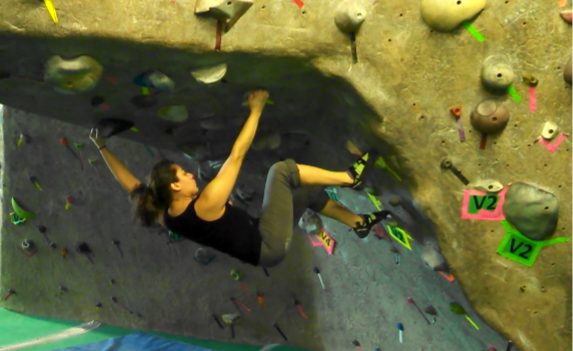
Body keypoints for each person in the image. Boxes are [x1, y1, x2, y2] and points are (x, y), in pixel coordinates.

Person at [89, 89, 393, 268]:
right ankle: (349, 177)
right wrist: (256, 109)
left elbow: (131, 185)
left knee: (305, 193)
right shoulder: (205, 204)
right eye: (184, 174)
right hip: (266, 244)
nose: (190, 174)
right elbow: (237, 155)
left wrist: (102, 146)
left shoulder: (165, 211)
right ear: (176, 186)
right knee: (281, 171)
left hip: (257, 238)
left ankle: (358, 224)